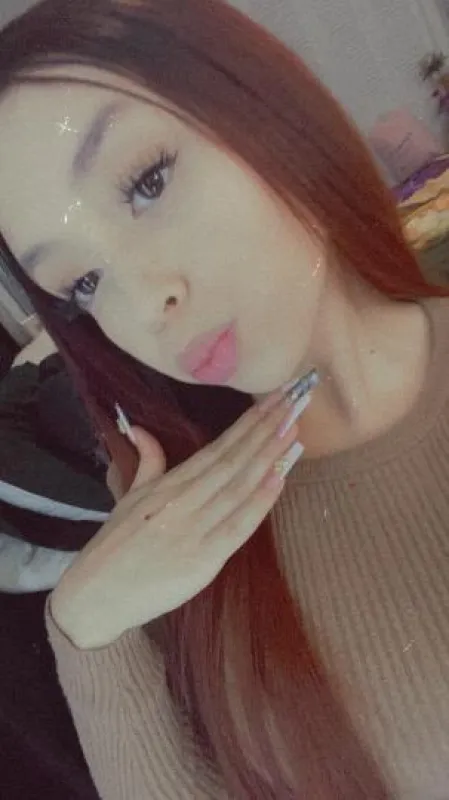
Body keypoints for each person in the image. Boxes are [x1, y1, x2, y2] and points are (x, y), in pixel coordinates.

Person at [0, 0, 448, 797]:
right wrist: (90, 631)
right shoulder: (179, 542)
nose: (146, 304)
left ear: (263, 106)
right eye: (84, 283)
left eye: (147, 182)